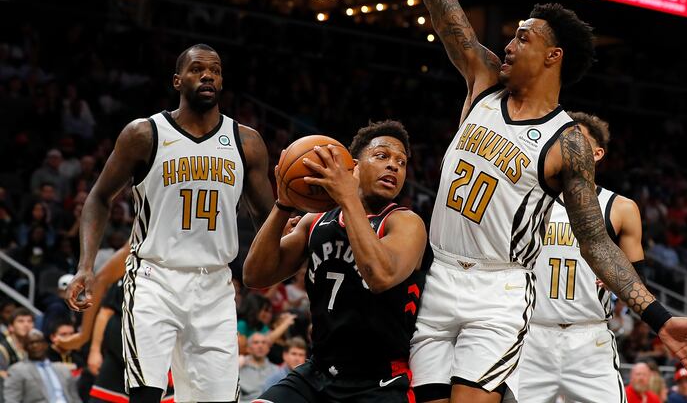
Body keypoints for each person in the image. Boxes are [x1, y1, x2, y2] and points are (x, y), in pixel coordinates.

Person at [410, 0, 687, 402]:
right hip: (440, 275)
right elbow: (442, 0)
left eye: (523, 38)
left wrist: (658, 317)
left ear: (553, 56)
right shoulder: (483, 82)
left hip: (498, 290)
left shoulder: (568, 142)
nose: (508, 45)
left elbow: (595, 242)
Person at [66, 43, 275, 402]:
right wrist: (86, 265)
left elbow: (267, 218)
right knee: (147, 393)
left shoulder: (247, 142)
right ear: (177, 80)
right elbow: (98, 198)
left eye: (215, 70)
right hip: (154, 279)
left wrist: (281, 257)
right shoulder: (144, 134)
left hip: (215, 284)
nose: (207, 75)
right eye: (197, 69)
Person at [244, 120, 428, 402]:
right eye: (382, 156)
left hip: (378, 380)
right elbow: (255, 276)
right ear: (353, 166)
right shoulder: (315, 221)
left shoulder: (405, 223)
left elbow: (380, 276)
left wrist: (347, 198)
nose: (394, 166)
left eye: (401, 162)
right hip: (317, 372)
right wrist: (283, 204)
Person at [515, 112, 642, 402]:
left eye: (577, 140)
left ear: (597, 153)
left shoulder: (620, 207)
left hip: (590, 338)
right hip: (532, 334)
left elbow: (638, 278)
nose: (566, 146)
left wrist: (621, 280)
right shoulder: (529, 199)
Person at [3, 329, 81, 403]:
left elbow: (75, 398)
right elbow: (11, 400)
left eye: (38, 342)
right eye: (31, 343)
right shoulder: (17, 371)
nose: (35, 346)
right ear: (25, 347)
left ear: (45, 345)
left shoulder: (62, 369)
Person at [238, 332, 278, 401]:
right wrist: (237, 367)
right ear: (248, 348)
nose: (260, 346)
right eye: (256, 342)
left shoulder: (276, 370)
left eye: (263, 342)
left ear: (268, 348)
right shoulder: (239, 366)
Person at [0, 308, 35, 377]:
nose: (26, 325)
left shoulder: (34, 347)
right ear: (11, 327)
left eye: (30, 321)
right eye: (20, 321)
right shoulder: (3, 349)